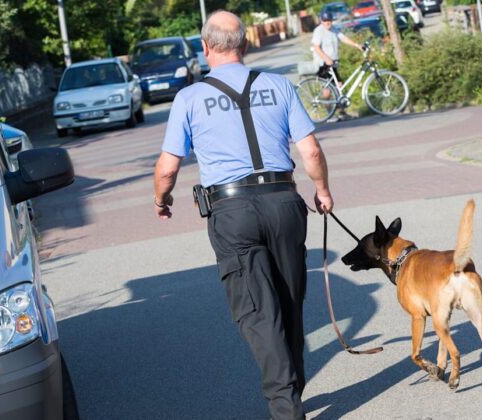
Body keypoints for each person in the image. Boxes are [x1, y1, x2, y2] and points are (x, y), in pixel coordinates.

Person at [152, 10, 333, 420]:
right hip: (285, 203)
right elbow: (311, 151)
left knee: (256, 310)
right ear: (246, 45)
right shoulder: (278, 85)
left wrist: (162, 200)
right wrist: (322, 191)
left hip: (232, 212)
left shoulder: (190, 98)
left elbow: (167, 169)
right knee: (289, 301)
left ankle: (286, 407)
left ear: (205, 46)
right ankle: (292, 392)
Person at [312, 10, 364, 121]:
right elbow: (316, 47)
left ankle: (342, 113)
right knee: (327, 92)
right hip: (323, 65)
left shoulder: (334, 29)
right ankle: (329, 116)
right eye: (325, 20)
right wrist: (326, 59)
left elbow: (343, 38)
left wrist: (357, 45)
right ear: (321, 21)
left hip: (333, 65)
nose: (327, 22)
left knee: (339, 87)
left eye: (329, 20)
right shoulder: (319, 31)